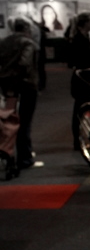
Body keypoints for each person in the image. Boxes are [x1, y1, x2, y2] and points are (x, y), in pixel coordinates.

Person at [0, 17, 40, 168]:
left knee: (9, 119)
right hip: (26, 85)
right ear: (27, 28)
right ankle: (24, 157)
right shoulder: (28, 43)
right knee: (24, 121)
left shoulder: (3, 42)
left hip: (7, 86)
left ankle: (7, 152)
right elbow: (25, 63)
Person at [68, 11, 90, 149]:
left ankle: (81, 138)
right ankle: (78, 140)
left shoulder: (83, 37)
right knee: (81, 109)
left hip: (84, 78)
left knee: (84, 108)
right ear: (85, 23)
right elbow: (82, 61)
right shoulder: (79, 39)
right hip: (83, 79)